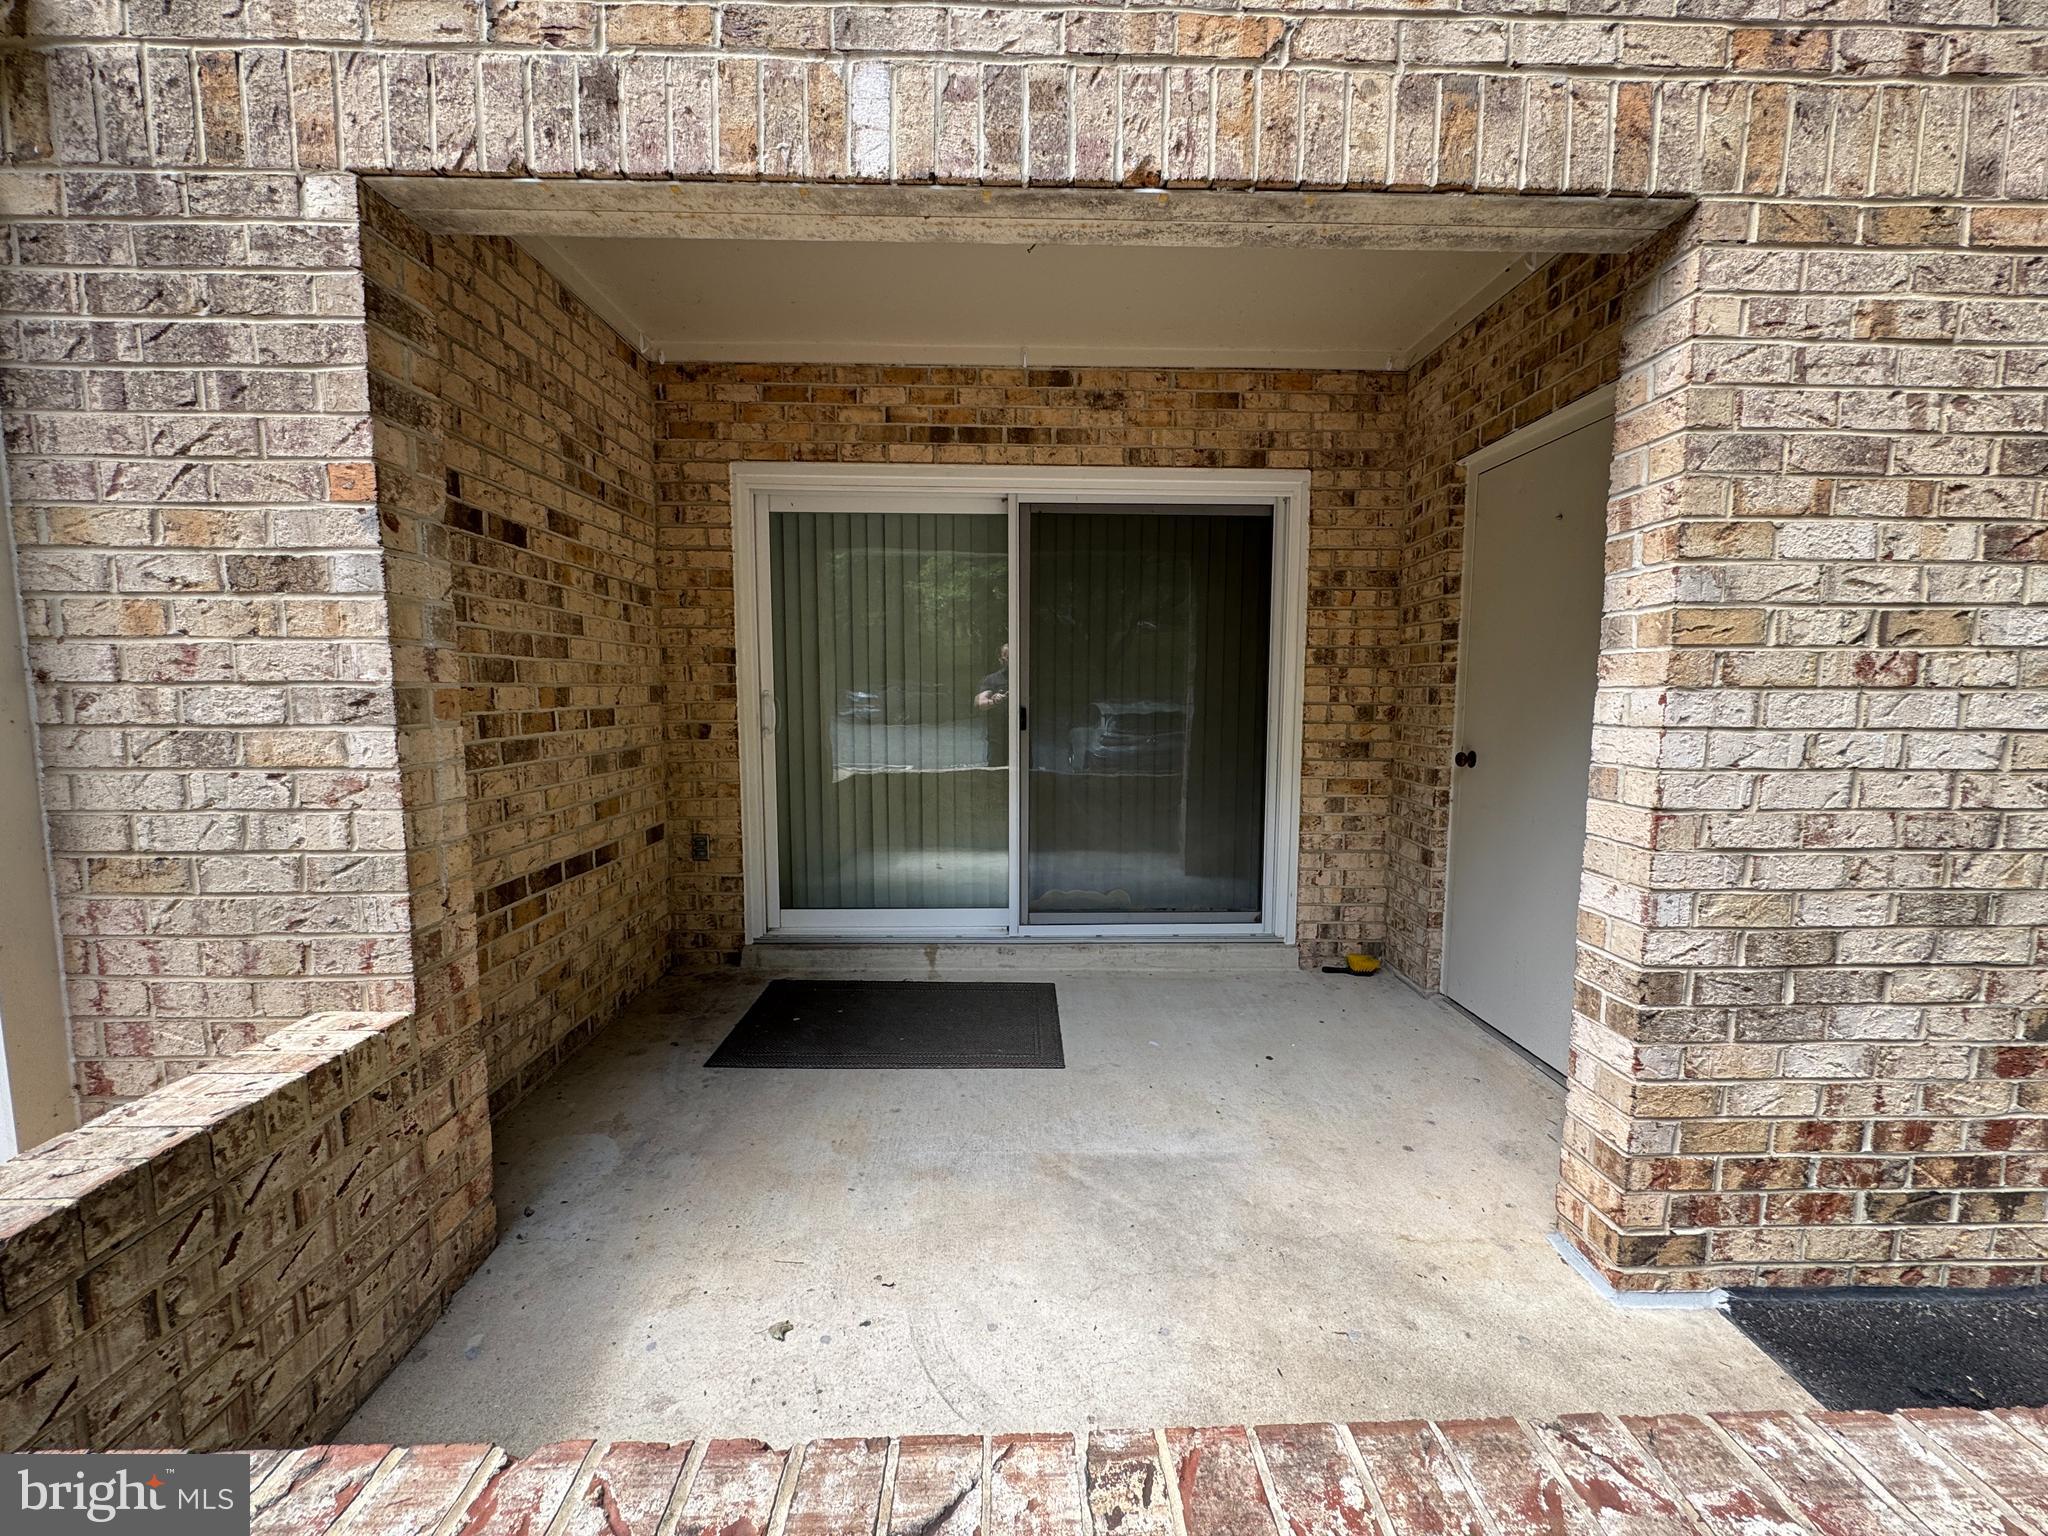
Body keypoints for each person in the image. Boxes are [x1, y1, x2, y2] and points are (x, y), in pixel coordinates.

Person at [975, 641, 1009, 767]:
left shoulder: (1026, 677)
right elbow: (979, 703)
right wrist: (994, 701)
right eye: (1008, 658)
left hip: (1022, 738)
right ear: (1001, 660)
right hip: (997, 739)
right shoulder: (993, 679)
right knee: (995, 777)